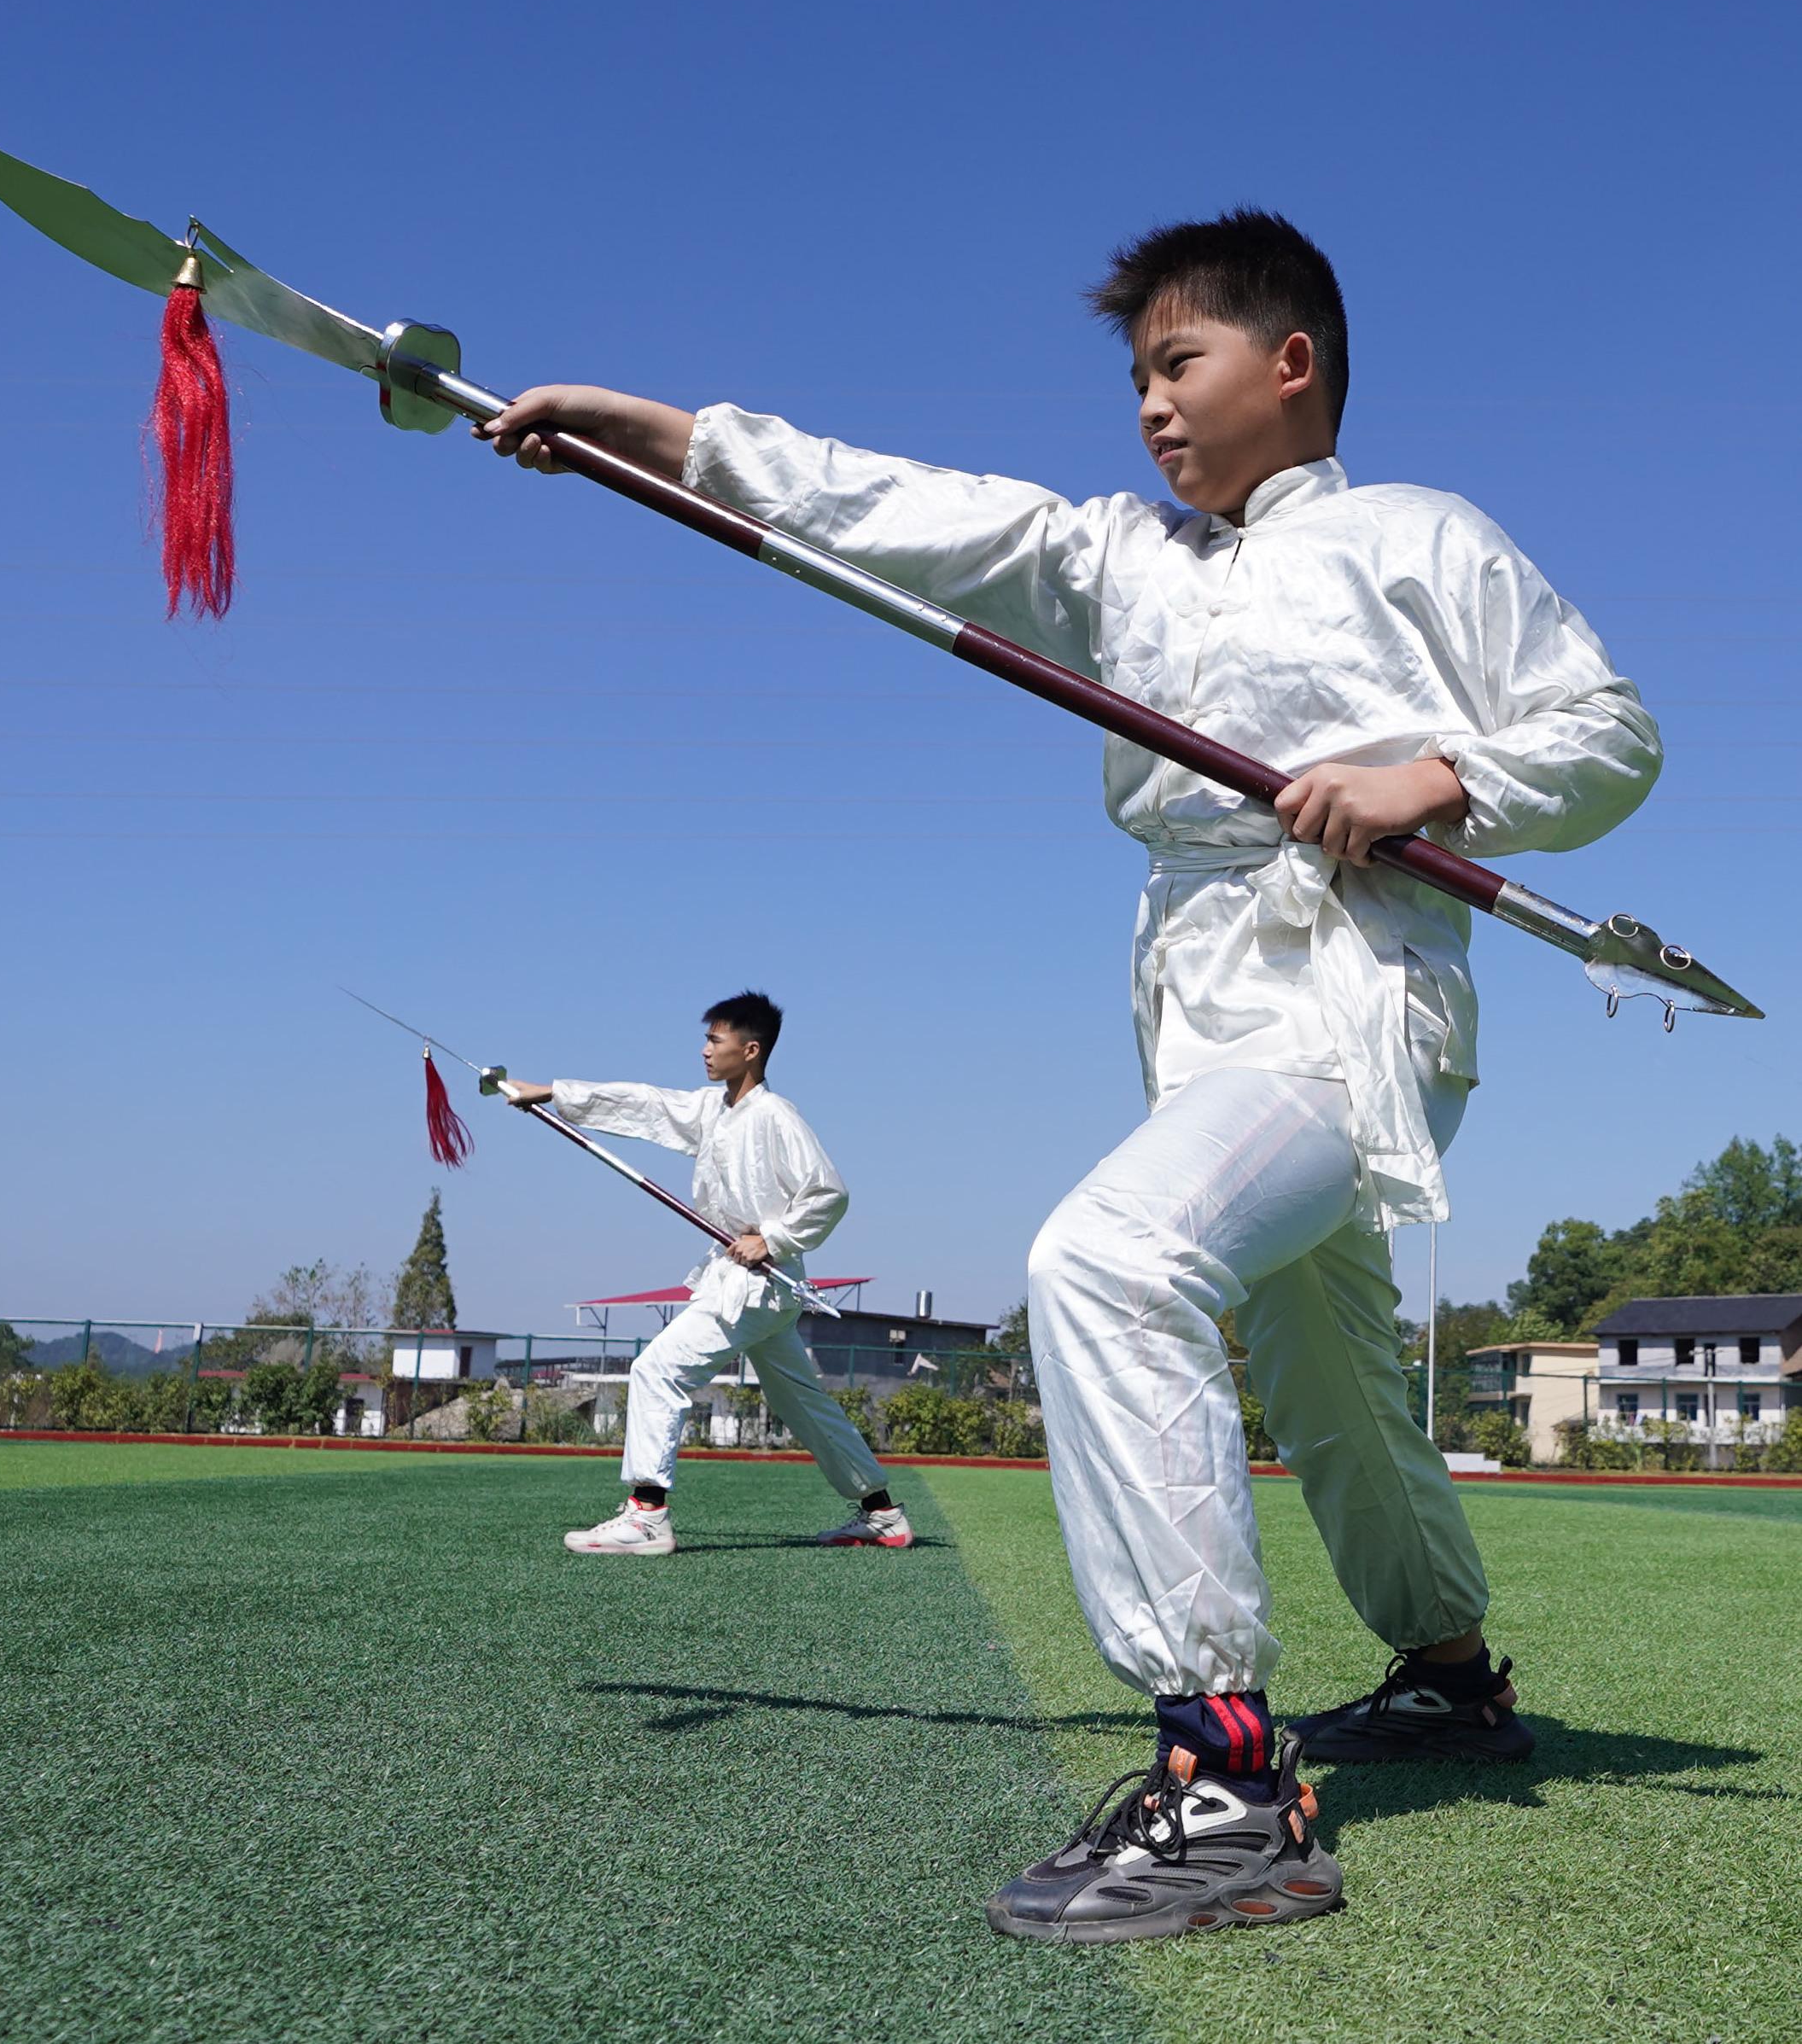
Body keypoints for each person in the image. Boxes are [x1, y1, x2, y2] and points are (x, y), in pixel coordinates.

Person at [480, 212, 1662, 1941]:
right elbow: (877, 502)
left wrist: (1428, 777)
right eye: (1132, 382)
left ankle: (1225, 1775)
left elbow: (1607, 730)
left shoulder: (1418, 536)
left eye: (1176, 366)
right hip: (1192, 1008)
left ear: (1291, 363)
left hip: (1350, 1003)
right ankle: (1448, 1672)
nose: (1149, 411)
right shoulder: (1118, 558)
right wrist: (641, 430)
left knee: (1111, 1256)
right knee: (1322, 1365)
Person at [498, 990, 910, 1557]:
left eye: (715, 1040)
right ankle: (882, 1513)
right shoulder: (712, 1110)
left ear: (751, 1049)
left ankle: (646, 1515)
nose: (704, 1050)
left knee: (655, 1369)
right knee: (802, 1403)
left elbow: (829, 1193)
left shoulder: (776, 1115)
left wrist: (771, 1238)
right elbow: (644, 1104)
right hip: (750, 1289)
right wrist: (550, 1092)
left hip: (756, 1285)